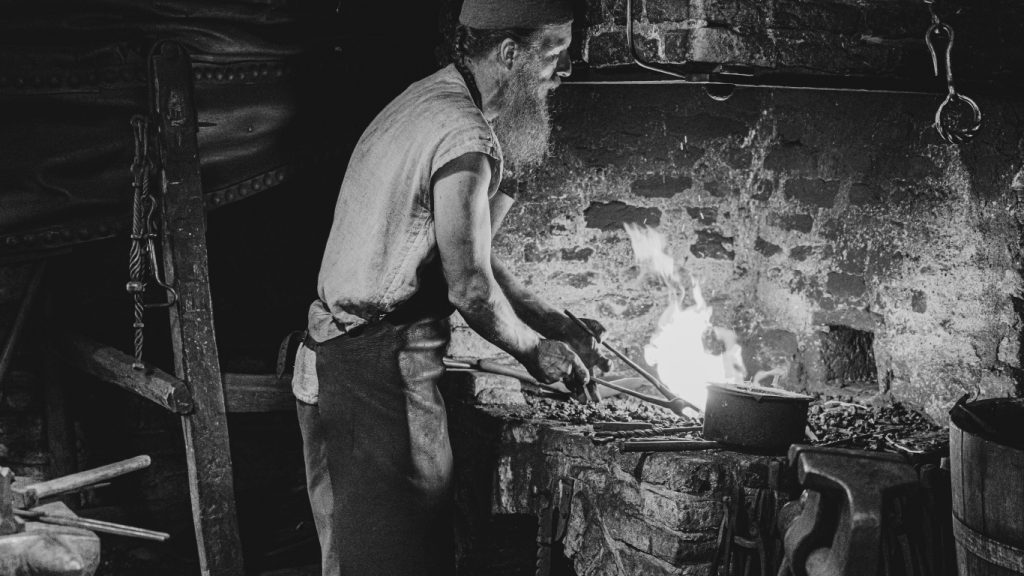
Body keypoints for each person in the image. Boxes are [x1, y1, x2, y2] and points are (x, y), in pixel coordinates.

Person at [292, 1, 611, 574]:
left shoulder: (429, 98)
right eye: (554, 55)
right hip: (378, 373)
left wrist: (555, 322)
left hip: (331, 355)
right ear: (510, 54)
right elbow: (469, 287)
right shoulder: (464, 140)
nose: (562, 73)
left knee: (351, 562)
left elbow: (470, 256)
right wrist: (537, 354)